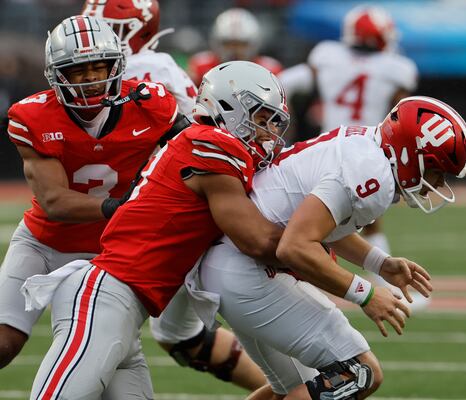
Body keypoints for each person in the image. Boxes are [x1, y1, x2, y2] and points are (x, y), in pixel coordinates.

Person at [23, 60, 290, 399]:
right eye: (261, 119)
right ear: (230, 108)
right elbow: (255, 240)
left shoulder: (205, 142)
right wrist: (315, 252)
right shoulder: (214, 146)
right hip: (106, 299)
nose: (267, 131)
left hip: (126, 309)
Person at [197, 96, 466, 399]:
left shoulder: (368, 147)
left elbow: (319, 224)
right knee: (359, 372)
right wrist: (365, 294)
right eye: (436, 171)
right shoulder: (372, 174)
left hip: (229, 264)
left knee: (291, 390)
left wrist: (378, 263)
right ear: (412, 153)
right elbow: (295, 246)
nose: (434, 182)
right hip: (247, 270)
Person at [83, 0, 267, 389]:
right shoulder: (137, 69)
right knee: (174, 334)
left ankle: (303, 384)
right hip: (147, 204)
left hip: (171, 207)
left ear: (137, 32)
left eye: (105, 31)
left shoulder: (148, 72)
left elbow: (199, 135)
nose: (91, 42)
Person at [0, 15, 188, 370]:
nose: (90, 79)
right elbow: (55, 202)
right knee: (4, 343)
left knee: (102, 355)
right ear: (57, 75)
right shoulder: (33, 116)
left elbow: (192, 155)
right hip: (46, 243)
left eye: (99, 68)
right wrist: (131, 206)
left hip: (113, 253)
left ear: (116, 66)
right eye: (78, 72)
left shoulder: (151, 105)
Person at [280, 5, 418, 260]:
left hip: (326, 144)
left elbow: (284, 82)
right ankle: (386, 283)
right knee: (364, 219)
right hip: (367, 148)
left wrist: (283, 125)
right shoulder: (397, 67)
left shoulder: (327, 55)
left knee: (311, 213)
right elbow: (404, 115)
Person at [187, 8, 283, 88]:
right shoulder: (201, 65)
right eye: (229, 44)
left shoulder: (270, 70)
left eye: (241, 44)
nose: (235, 50)